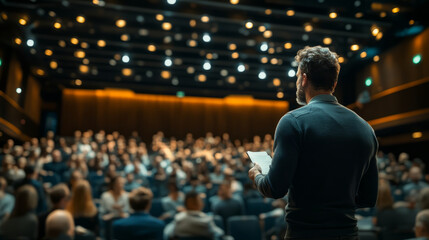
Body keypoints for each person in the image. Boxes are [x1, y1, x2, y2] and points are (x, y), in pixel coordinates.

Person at [248, 46, 379, 239]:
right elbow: (368, 197)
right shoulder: (365, 129)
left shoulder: (292, 122)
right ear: (333, 83)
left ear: (303, 79)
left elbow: (274, 188)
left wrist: (257, 175)